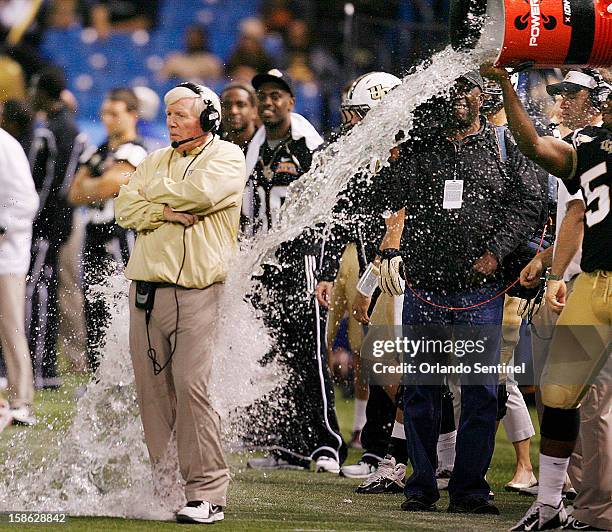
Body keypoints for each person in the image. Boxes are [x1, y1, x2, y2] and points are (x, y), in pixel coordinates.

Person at [378, 70, 543, 514]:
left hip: (480, 290)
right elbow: (387, 197)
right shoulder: (419, 146)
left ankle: (470, 488)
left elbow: (530, 203)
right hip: (426, 286)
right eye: (450, 91)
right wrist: (390, 151)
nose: (457, 98)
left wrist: (496, 252)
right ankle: (421, 485)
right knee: (419, 389)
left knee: (481, 391)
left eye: (466, 89)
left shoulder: (503, 147)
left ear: (481, 95)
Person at [483, 65, 611, 532]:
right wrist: (502, 88)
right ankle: (551, 505)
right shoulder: (591, 146)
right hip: (595, 283)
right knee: (558, 396)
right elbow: (534, 147)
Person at [115, 82, 246, 524]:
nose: (171, 121)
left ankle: (208, 492)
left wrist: (150, 195)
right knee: (152, 395)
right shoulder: (155, 159)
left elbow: (203, 196)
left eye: (181, 114)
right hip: (146, 295)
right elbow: (124, 208)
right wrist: (163, 212)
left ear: (208, 117)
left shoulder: (227, 156)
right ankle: (167, 488)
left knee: (192, 386)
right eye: (168, 115)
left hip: (198, 291)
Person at [242, 69, 347, 473]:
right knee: (278, 356)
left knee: (309, 355)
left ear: (290, 101)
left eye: (276, 96)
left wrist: (323, 266)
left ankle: (327, 443)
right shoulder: (257, 148)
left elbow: (328, 209)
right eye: (262, 97)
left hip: (301, 259)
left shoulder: (308, 146)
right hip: (266, 264)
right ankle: (290, 445)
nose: (268, 102)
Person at [518, 69, 606, 503]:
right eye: (560, 93)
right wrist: (551, 267)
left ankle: (591, 501)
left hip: (583, 276)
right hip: (583, 278)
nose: (562, 100)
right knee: (560, 392)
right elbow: (574, 215)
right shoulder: (586, 147)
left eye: (573, 93)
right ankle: (557, 498)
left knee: (598, 405)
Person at [314, 71, 406, 475]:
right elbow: (347, 215)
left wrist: (366, 284)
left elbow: (395, 226)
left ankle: (402, 456)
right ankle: (379, 452)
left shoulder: (409, 156)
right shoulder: (371, 158)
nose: (352, 123)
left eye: (360, 114)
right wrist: (330, 271)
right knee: (381, 361)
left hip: (404, 276)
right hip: (381, 271)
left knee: (398, 368)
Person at [68, 87, 147, 370]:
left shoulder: (136, 149)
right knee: (93, 307)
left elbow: (109, 185)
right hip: (93, 236)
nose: (108, 119)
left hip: (120, 236)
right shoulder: (99, 150)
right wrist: (96, 187)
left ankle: (124, 373)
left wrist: (95, 185)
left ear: (133, 115)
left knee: (120, 306)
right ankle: (98, 373)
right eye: (104, 113)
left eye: (115, 113)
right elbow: (74, 193)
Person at [27, 66, 84, 389]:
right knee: (50, 291)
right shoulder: (70, 127)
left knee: (38, 292)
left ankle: (41, 368)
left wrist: (33, 219)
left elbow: (49, 185)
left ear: (43, 92)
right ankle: (46, 366)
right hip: (63, 221)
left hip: (47, 224)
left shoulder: (51, 130)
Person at [0, 127, 38, 427]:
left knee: (11, 328)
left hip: (6, 256)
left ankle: (21, 400)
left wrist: (2, 228)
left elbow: (27, 200)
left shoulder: (5, 145)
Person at [158, 25, 223, 82]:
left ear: (203, 39)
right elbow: (162, 80)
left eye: (196, 38)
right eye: (191, 37)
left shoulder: (211, 61)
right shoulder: (174, 59)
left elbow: (216, 83)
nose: (193, 40)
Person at [219, 82, 258, 153]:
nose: (233, 111)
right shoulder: (214, 147)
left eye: (241, 105)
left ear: (254, 111)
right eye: (227, 105)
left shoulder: (265, 146)